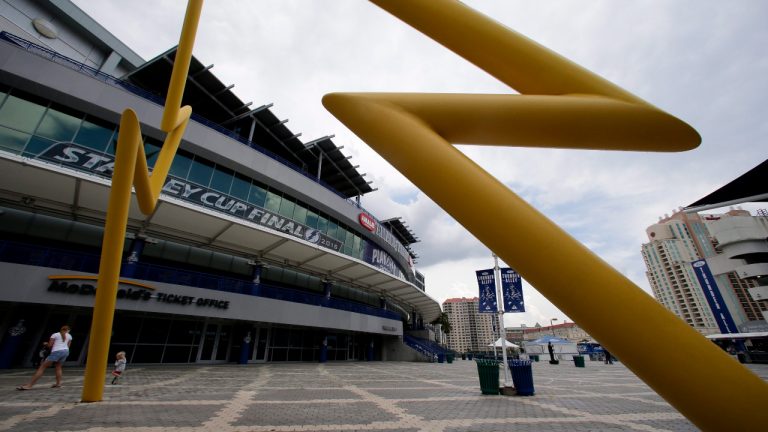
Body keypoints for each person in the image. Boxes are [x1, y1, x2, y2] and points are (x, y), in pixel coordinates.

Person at [16, 325, 72, 390]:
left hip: (57, 352)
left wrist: (45, 344)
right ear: (68, 330)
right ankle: (58, 384)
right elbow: (68, 346)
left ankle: (29, 385)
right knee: (58, 367)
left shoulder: (55, 335)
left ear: (61, 329)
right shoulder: (69, 336)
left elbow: (50, 345)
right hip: (65, 352)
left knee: (42, 367)